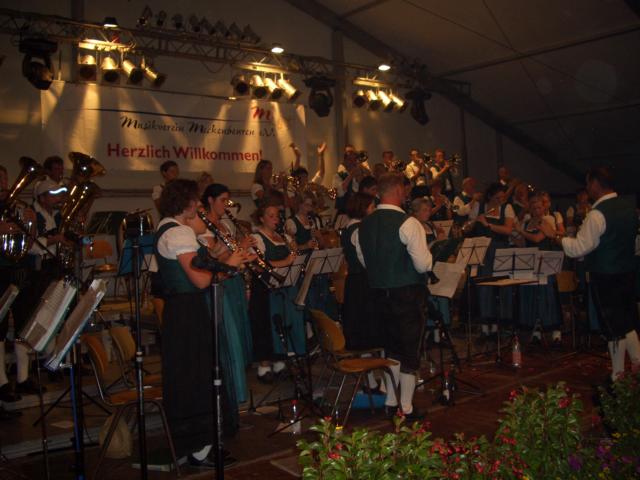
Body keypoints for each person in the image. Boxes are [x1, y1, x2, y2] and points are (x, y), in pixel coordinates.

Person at [154, 179, 250, 468]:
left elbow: (201, 269)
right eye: (195, 201)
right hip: (187, 312)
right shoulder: (179, 232)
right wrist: (231, 265)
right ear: (186, 203)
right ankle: (198, 449)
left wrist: (226, 262)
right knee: (195, 377)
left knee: (191, 376)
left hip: (182, 310)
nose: (198, 205)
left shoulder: (169, 227)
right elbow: (199, 280)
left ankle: (195, 446)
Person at [550, 167, 640, 381]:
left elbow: (579, 248)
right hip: (628, 273)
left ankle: (617, 375)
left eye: (588, 183)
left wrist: (556, 238)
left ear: (596, 184)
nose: (587, 188)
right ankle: (637, 362)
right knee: (627, 321)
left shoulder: (597, 214)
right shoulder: (629, 208)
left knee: (613, 328)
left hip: (606, 275)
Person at [356, 172, 432, 419]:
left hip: (377, 294)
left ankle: (390, 401)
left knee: (391, 350)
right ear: (399, 191)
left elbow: (364, 261)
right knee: (409, 351)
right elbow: (423, 265)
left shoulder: (363, 225)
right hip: (407, 294)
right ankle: (406, 408)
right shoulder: (409, 223)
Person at [200, 183, 256, 405]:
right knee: (229, 338)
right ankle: (233, 393)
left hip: (234, 281)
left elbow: (230, 256)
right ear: (210, 200)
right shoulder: (203, 227)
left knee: (239, 333)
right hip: (221, 282)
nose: (226, 205)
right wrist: (238, 247)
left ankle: (239, 386)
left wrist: (244, 254)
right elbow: (214, 260)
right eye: (223, 200)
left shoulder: (223, 225)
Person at [248, 205, 302, 384]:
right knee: (265, 325)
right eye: (270, 216)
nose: (275, 219)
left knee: (283, 322)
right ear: (261, 218)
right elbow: (258, 264)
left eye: (277, 216)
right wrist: (285, 261)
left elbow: (295, 259)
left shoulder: (284, 237)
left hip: (284, 287)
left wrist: (294, 249)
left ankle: (281, 362)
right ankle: (264, 367)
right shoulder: (256, 238)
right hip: (264, 288)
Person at [515, 196, 563, 346]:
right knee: (532, 295)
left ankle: (555, 331)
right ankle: (536, 331)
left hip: (544, 262)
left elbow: (537, 239)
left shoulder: (546, 222)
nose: (536, 211)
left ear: (543, 208)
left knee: (547, 296)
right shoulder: (527, 222)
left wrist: (520, 231)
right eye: (534, 208)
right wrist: (516, 238)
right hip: (531, 262)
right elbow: (524, 243)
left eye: (539, 208)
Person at [474, 183, 516, 340]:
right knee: (485, 287)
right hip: (484, 250)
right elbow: (471, 227)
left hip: (501, 249)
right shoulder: (479, 207)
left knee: (504, 287)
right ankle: (486, 327)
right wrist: (472, 224)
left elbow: (508, 230)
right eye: (498, 197)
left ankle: (503, 326)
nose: (501, 200)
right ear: (490, 196)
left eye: (503, 197)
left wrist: (488, 225)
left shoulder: (507, 208)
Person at [332, 148, 367, 229]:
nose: (352, 162)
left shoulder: (361, 175)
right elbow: (340, 193)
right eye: (349, 160)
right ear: (344, 161)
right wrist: (351, 174)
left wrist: (361, 176)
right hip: (344, 215)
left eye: (354, 160)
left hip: (360, 215)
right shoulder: (338, 176)